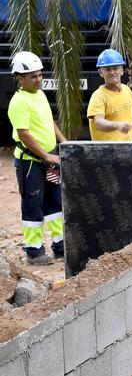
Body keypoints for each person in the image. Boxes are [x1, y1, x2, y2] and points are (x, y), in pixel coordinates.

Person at [7, 51, 66, 265]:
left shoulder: (40, 95)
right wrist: (46, 156)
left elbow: (49, 122)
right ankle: (34, 252)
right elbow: (24, 134)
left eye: (40, 74)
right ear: (19, 78)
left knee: (55, 202)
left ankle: (60, 246)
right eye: (33, 76)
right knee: (33, 203)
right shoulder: (19, 102)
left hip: (48, 160)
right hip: (31, 162)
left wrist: (63, 142)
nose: (39, 79)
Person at [87, 49, 132, 141]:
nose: (112, 72)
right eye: (108, 69)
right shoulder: (99, 96)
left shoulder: (127, 90)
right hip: (108, 152)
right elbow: (98, 122)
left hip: (130, 149)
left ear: (122, 70)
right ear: (100, 73)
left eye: (115, 68)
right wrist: (116, 125)